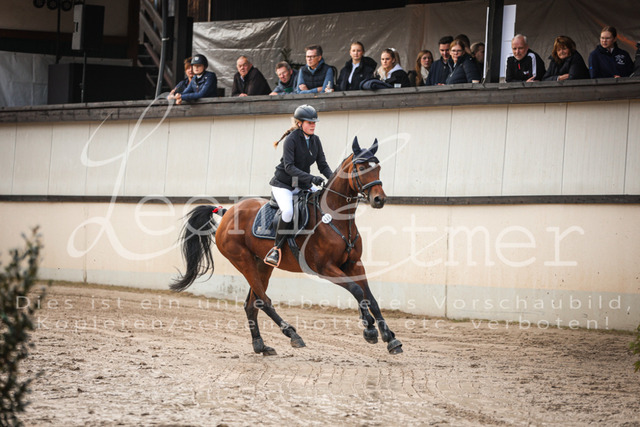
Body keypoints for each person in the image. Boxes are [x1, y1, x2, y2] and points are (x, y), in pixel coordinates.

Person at [264, 104, 333, 267]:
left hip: (301, 183)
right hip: (283, 184)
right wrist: (311, 178)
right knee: (288, 212)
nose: (313, 125)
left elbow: (322, 165)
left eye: (314, 122)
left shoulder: (315, 140)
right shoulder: (291, 139)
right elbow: (289, 167)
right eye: (310, 122)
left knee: (323, 202)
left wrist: (333, 181)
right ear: (300, 123)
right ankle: (276, 249)